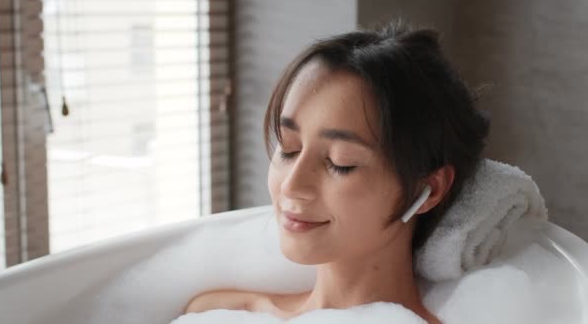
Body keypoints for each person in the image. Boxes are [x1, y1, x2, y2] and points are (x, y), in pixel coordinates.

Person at [182, 19, 490, 324]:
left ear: (429, 190)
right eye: (288, 148)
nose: (291, 186)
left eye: (340, 163)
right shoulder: (218, 315)